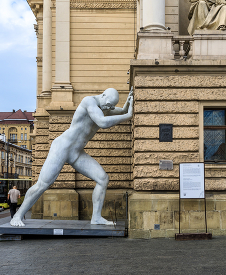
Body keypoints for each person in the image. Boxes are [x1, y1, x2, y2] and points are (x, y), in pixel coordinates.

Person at [10, 88, 133, 227]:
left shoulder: (104, 107)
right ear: (103, 95)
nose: (109, 108)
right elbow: (103, 123)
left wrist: (128, 103)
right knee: (43, 185)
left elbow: (121, 111)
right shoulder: (89, 101)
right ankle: (17, 216)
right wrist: (128, 115)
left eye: (111, 106)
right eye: (109, 104)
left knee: (103, 179)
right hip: (62, 148)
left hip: (76, 153)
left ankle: (96, 217)